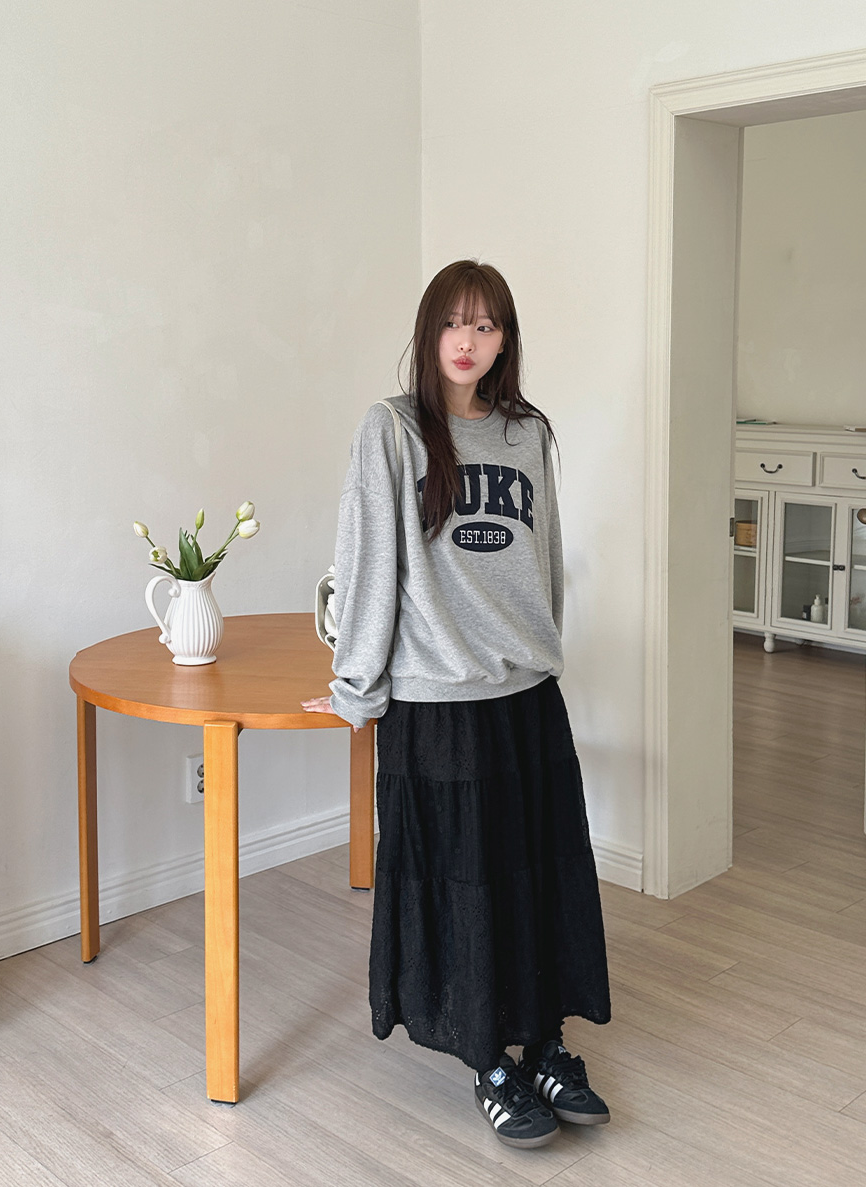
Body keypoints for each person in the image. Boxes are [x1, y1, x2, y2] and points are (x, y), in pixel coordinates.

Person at [301, 259, 611, 1149]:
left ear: (505, 339)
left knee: (539, 873)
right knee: (465, 886)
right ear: (428, 332)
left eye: (485, 325)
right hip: (437, 702)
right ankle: (488, 1058)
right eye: (452, 323)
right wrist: (357, 687)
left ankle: (545, 1041)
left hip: (527, 695)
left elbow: (544, 559)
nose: (467, 341)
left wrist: (545, 651)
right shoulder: (393, 430)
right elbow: (367, 566)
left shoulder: (527, 432)